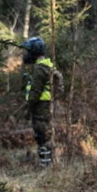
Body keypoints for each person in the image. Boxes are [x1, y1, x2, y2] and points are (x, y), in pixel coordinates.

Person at [21, 37, 63, 165]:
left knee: (42, 135)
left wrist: (28, 110)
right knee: (46, 134)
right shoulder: (47, 65)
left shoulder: (39, 69)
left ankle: (46, 166)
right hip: (47, 106)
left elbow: (35, 92)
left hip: (40, 107)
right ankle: (48, 164)